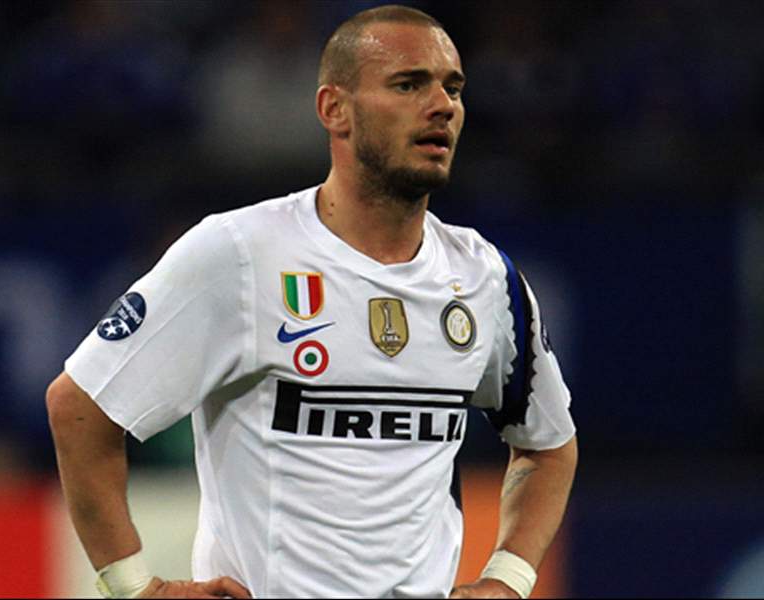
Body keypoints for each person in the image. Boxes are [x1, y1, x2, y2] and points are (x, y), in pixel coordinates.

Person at [46, 5, 577, 599]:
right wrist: (135, 587)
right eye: (408, 84)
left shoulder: (484, 277)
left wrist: (508, 580)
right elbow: (79, 408)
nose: (442, 106)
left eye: (452, 88)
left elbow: (549, 445)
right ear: (334, 109)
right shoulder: (239, 253)